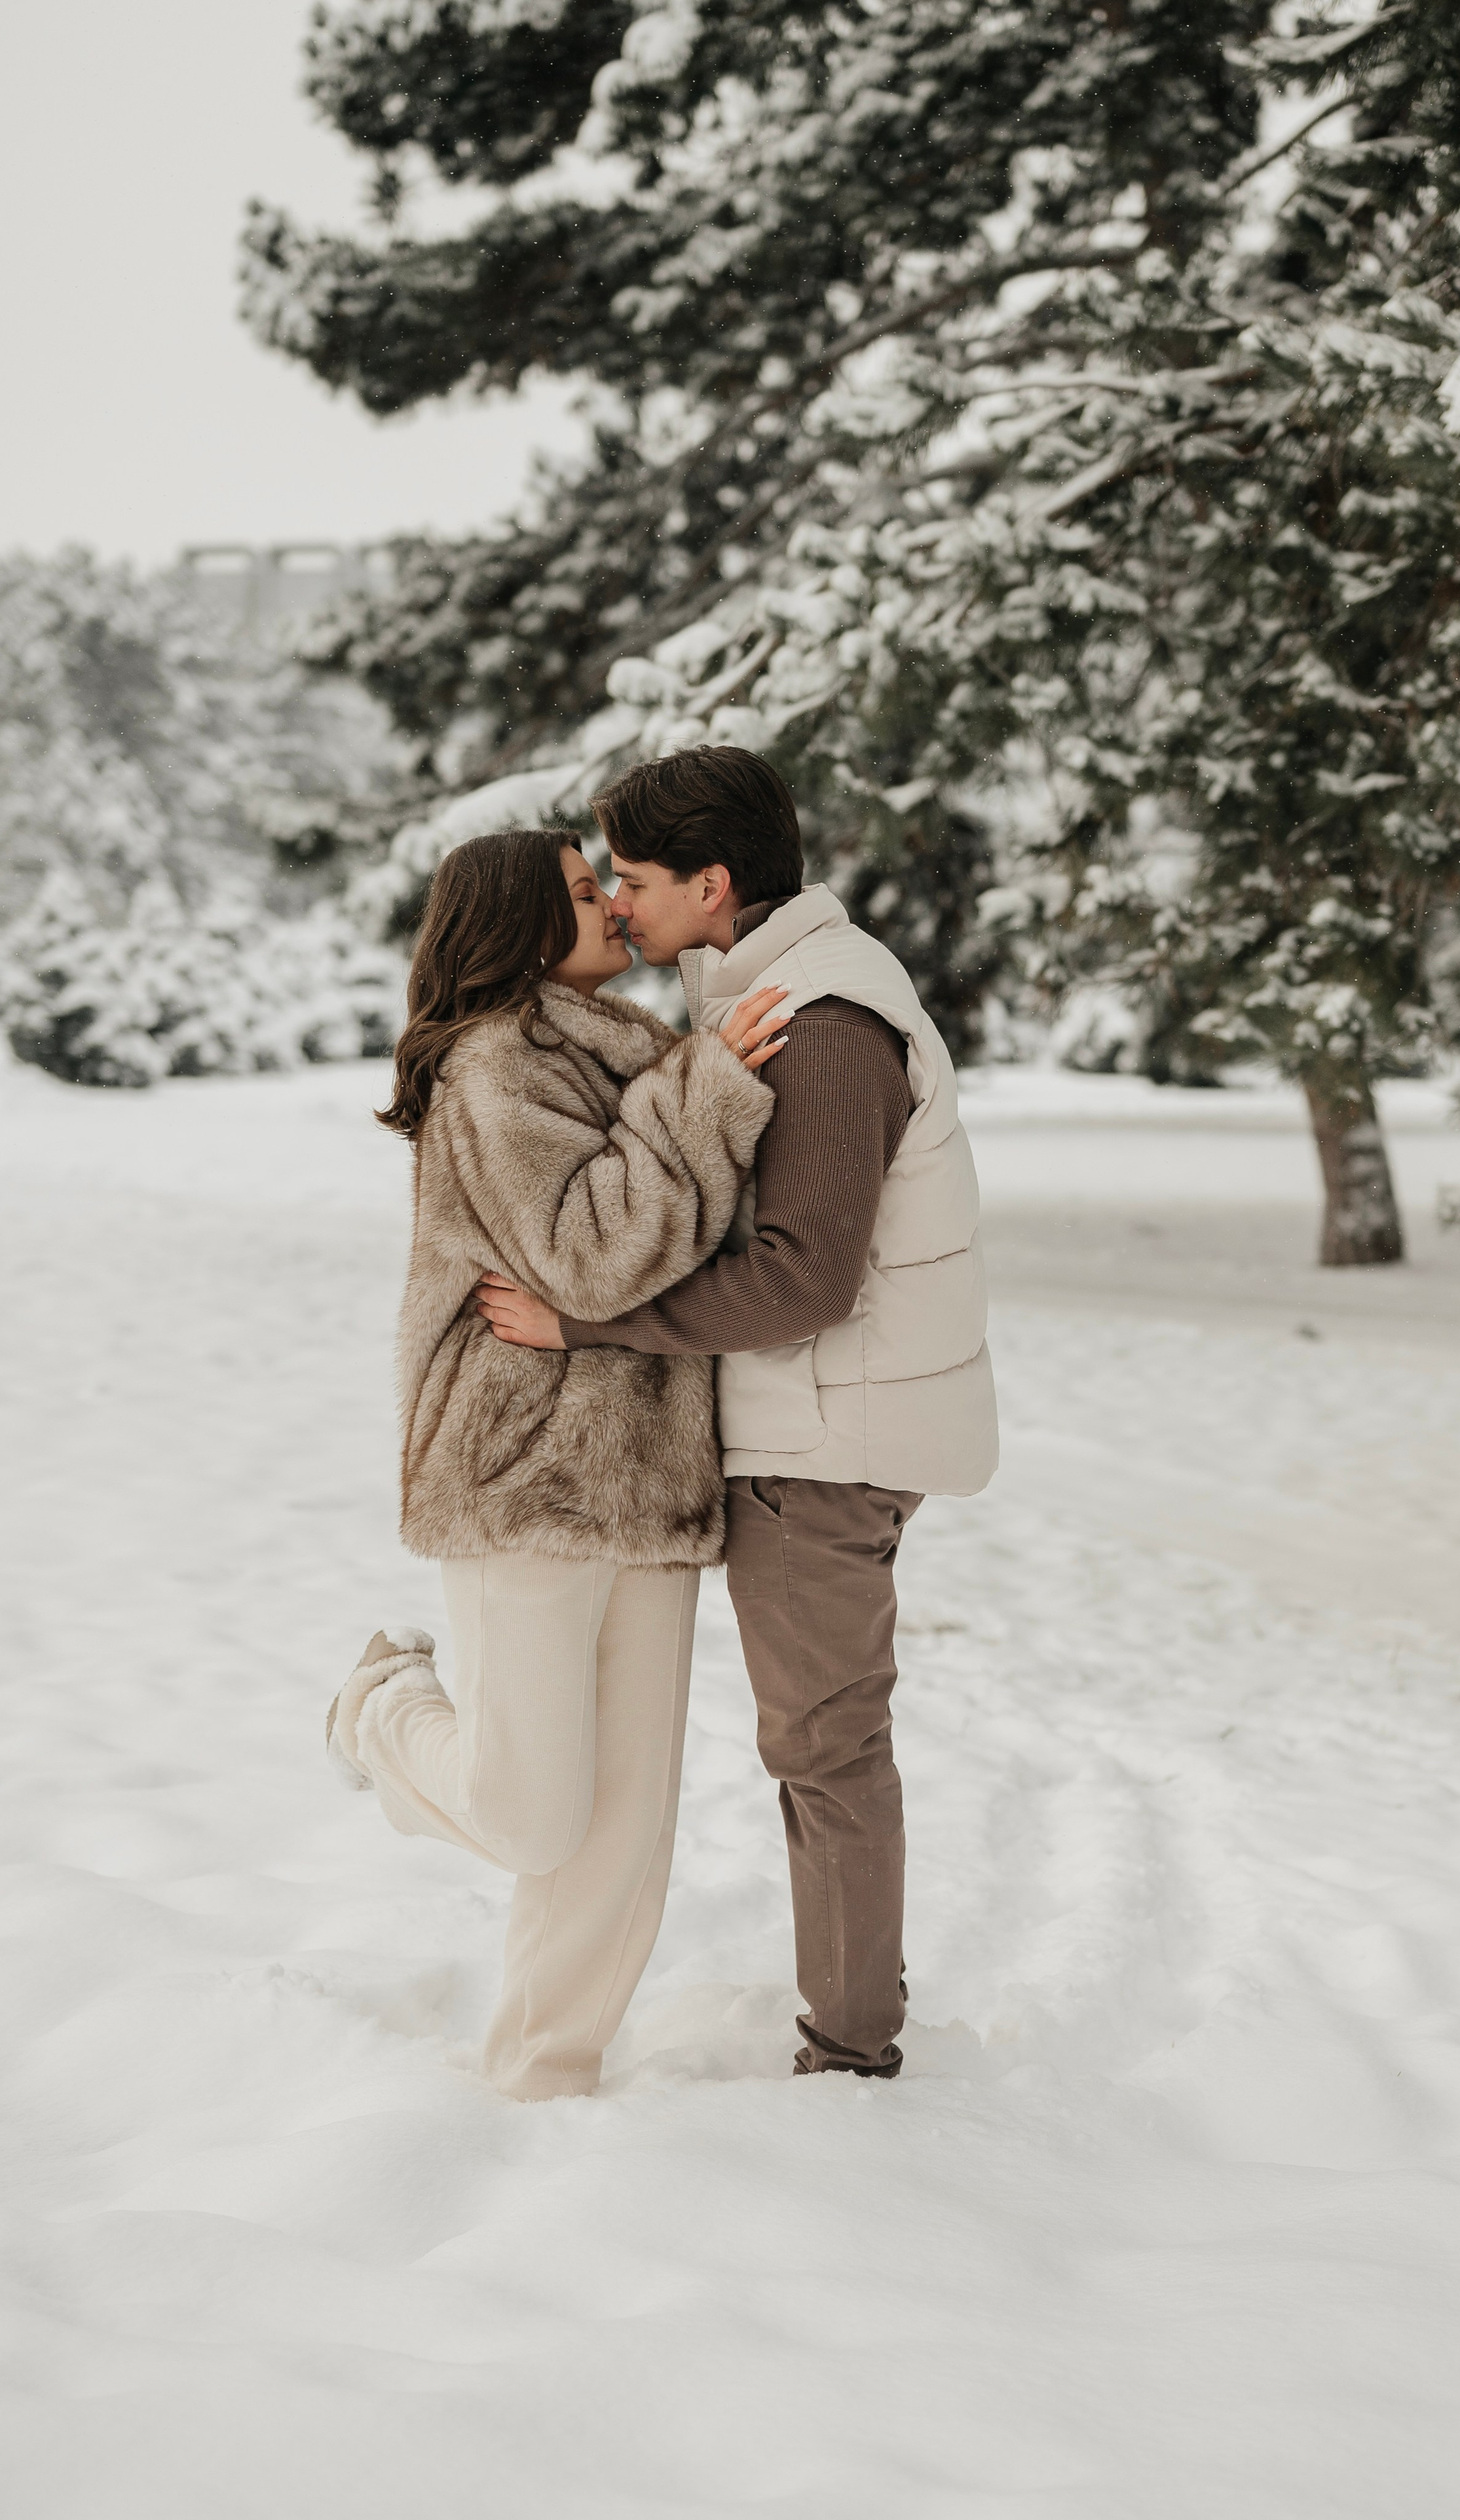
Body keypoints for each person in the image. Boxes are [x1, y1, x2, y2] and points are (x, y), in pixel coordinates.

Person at [479, 748, 998, 2081]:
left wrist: (586, 1322)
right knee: (821, 1740)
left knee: (822, 1745)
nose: (618, 903)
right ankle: (852, 2016)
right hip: (820, 1426)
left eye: (638, 882)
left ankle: (849, 2051)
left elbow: (802, 1278)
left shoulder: (824, 1021)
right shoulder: (779, 995)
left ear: (713, 887)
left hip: (825, 1437)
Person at [326, 825, 787, 2101]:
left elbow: (683, 1234)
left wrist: (692, 1091)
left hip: (651, 1469)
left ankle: (545, 2074)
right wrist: (701, 1097)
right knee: (531, 1808)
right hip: (521, 1461)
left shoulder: (638, 1052)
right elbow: (588, 1251)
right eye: (584, 894)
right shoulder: (491, 1070)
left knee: (623, 1827)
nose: (610, 911)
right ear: (523, 921)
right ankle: (376, 1709)